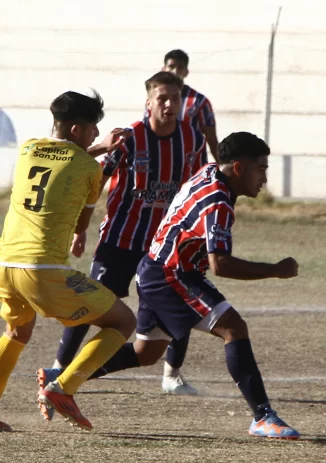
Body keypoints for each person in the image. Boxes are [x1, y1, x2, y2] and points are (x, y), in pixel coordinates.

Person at [42, 132, 300, 438]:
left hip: (155, 268)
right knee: (233, 327)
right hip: (171, 275)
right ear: (239, 168)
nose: (265, 178)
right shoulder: (217, 202)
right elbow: (221, 265)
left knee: (145, 353)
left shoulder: (210, 171)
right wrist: (276, 270)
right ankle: (263, 416)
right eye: (261, 169)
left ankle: (60, 378)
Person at [39, 72, 207, 419]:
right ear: (148, 103)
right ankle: (58, 369)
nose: (169, 104)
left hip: (164, 246)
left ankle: (171, 375)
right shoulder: (130, 138)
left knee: (177, 303)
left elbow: (197, 186)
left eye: (175, 98)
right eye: (162, 97)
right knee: (87, 307)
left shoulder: (192, 139)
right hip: (119, 239)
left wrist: (197, 234)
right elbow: (95, 176)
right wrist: (80, 227)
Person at [0, 90, 136, 431]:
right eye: (93, 129)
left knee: (17, 331)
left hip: (5, 264)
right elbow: (80, 225)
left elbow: (61, 161)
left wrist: (99, 147)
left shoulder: (28, 148)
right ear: (77, 130)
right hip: (42, 269)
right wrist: (103, 153)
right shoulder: (90, 168)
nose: (95, 134)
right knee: (123, 322)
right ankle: (63, 387)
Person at [161, 49, 219, 161]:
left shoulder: (199, 102)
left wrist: (224, 169)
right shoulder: (155, 100)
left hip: (192, 164)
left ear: (186, 72)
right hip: (162, 160)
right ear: (164, 69)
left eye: (180, 67)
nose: (175, 71)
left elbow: (212, 139)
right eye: (171, 66)